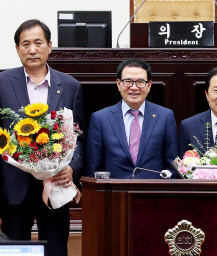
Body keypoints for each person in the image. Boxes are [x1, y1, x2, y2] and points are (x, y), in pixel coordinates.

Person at [0, 19, 85, 256]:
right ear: (17, 49)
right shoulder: (2, 83)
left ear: (49, 45)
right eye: (25, 44)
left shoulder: (70, 86)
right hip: (12, 189)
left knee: (56, 250)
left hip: (55, 185)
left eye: (38, 43)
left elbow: (80, 137)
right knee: (13, 251)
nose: (32, 49)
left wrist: (73, 169)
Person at [86, 58, 178, 178]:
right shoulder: (100, 119)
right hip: (115, 193)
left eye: (140, 82)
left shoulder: (165, 116)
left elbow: (173, 165)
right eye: (128, 81)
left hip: (153, 192)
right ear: (119, 84)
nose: (134, 87)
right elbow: (93, 168)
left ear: (149, 85)